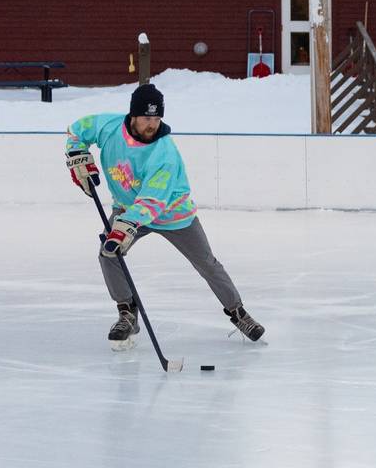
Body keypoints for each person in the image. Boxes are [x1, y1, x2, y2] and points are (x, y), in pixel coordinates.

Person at [65, 84, 265, 350]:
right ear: (133, 115)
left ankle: (238, 312)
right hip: (128, 207)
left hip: (173, 214)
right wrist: (78, 155)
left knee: (207, 263)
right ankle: (127, 313)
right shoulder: (110, 127)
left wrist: (126, 227)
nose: (152, 124)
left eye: (157, 118)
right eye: (147, 118)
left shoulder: (165, 153)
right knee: (108, 252)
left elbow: (153, 199)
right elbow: (77, 130)